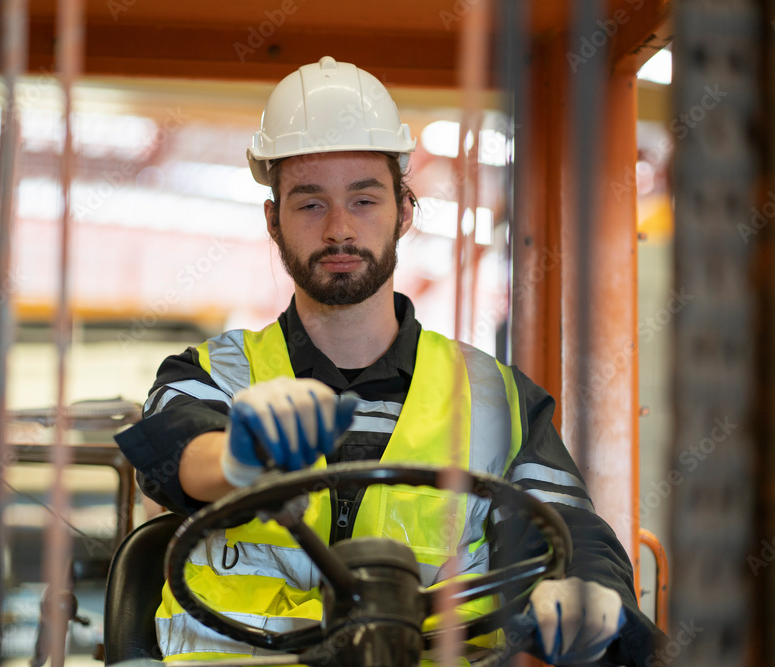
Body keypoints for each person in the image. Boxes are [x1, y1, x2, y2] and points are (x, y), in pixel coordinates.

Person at [115, 56, 665, 665]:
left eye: (365, 200)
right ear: (273, 221)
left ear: (404, 211)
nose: (340, 230)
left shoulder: (498, 399)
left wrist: (585, 596)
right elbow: (177, 452)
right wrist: (240, 454)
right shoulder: (214, 373)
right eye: (310, 204)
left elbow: (567, 532)